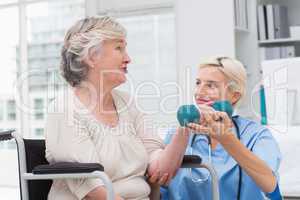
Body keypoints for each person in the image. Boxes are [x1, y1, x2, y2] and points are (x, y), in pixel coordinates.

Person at [45, 16, 190, 200]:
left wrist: (186, 128)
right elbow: (92, 191)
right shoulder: (64, 109)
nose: (128, 58)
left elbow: (158, 170)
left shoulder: (128, 103)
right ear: (91, 56)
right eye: (119, 48)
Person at [161, 56, 282, 200]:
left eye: (211, 85)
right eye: (198, 83)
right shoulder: (178, 135)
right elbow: (159, 186)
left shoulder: (255, 135)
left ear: (234, 96)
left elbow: (271, 186)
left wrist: (226, 138)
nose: (199, 92)